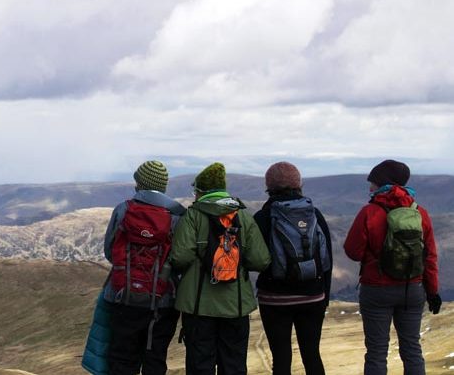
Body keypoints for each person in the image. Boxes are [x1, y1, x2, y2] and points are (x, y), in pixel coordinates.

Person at [171, 162, 270, 375]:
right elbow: (261, 260)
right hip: (235, 306)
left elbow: (179, 257)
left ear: (201, 191)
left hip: (198, 306)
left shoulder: (193, 216)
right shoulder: (243, 216)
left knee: (200, 365)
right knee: (233, 365)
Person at [344, 159, 441, 375]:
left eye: (373, 183)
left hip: (376, 289)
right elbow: (430, 257)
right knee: (412, 350)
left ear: (382, 183)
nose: (370, 187)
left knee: (377, 352)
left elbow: (353, 251)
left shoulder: (369, 212)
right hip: (412, 289)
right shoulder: (420, 213)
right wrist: (432, 291)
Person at [102, 160, 186, 375]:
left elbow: (111, 252)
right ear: (163, 185)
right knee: (155, 358)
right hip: (163, 300)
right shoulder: (178, 215)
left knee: (121, 359)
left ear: (139, 183)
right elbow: (180, 258)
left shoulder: (123, 209)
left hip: (124, 296)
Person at [254, 162, 332, 375]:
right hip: (312, 296)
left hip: (274, 298)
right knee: (312, 355)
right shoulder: (314, 214)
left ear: (268, 186)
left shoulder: (262, 218)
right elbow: (327, 258)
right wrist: (324, 294)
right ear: (299, 184)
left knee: (280, 357)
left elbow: (253, 258)